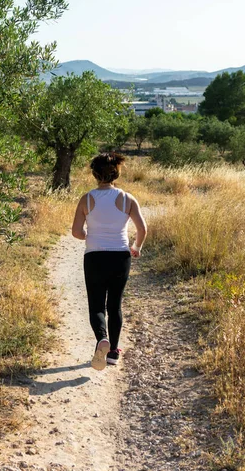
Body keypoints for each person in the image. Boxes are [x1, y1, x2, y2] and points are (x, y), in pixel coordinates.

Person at [72, 152, 147, 370]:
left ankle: (101, 338)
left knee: (96, 304)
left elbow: (76, 232)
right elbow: (142, 229)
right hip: (120, 256)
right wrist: (136, 247)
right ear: (116, 173)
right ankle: (113, 351)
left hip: (94, 256)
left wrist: (91, 237)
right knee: (115, 305)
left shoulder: (86, 199)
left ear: (94, 174)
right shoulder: (127, 199)